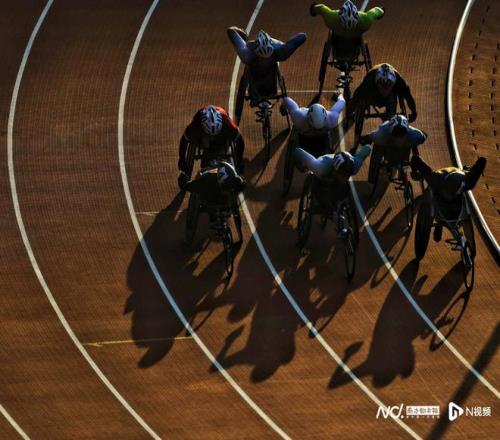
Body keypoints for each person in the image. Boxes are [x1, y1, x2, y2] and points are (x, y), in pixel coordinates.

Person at [227, 27, 306, 112]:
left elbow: (303, 36)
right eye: (262, 58)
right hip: (253, 58)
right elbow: (231, 31)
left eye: (267, 58)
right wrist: (241, 33)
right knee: (250, 64)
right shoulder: (246, 54)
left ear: (271, 53)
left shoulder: (281, 52)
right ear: (256, 54)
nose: (264, 61)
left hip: (276, 47)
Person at [410, 155, 486, 242]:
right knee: (431, 194)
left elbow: (476, 171)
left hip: (455, 179)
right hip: (441, 181)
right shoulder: (435, 180)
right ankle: (439, 223)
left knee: (455, 203)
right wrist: (414, 170)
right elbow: (417, 160)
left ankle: (440, 222)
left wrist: (481, 162)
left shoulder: (468, 183)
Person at [178, 105, 245, 190]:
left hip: (221, 138)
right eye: (210, 135)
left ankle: (216, 154)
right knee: (203, 142)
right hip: (202, 139)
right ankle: (203, 161)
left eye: (214, 135)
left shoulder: (227, 123)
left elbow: (240, 141)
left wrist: (239, 162)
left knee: (224, 140)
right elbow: (184, 141)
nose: (212, 137)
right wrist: (182, 160)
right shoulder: (196, 124)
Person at [185, 161, 246, 244]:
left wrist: (185, 184)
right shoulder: (208, 179)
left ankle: (214, 217)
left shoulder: (207, 179)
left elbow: (190, 186)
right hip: (218, 203)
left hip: (213, 202)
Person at [294, 145, 372, 207]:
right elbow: (297, 151)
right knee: (319, 187)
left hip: (344, 157)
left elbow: (366, 150)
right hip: (324, 163)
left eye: (347, 175)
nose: (345, 178)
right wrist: (302, 168)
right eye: (343, 175)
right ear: (336, 171)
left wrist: (368, 140)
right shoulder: (320, 168)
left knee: (340, 191)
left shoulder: (354, 167)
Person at [310, 0, 384, 60]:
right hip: (355, 38)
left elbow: (321, 8)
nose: (348, 28)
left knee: (331, 33)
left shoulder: (331, 18)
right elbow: (376, 11)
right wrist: (381, 10)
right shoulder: (366, 20)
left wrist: (313, 9)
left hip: (338, 39)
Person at [360, 115, 427, 180]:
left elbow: (423, 136)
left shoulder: (416, 136)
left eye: (402, 135)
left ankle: (405, 170)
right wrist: (366, 138)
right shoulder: (381, 135)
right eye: (396, 135)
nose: (399, 139)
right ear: (391, 134)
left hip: (405, 144)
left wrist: (415, 165)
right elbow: (371, 136)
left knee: (410, 147)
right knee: (380, 144)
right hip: (388, 143)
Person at [349, 63, 417, 122]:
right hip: (373, 94)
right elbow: (356, 96)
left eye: (388, 87)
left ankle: (391, 116)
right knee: (362, 97)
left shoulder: (399, 81)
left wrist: (414, 112)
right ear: (376, 82)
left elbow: (409, 97)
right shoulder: (369, 79)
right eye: (382, 86)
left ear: (393, 83)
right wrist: (350, 112)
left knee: (392, 98)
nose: (385, 91)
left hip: (390, 96)